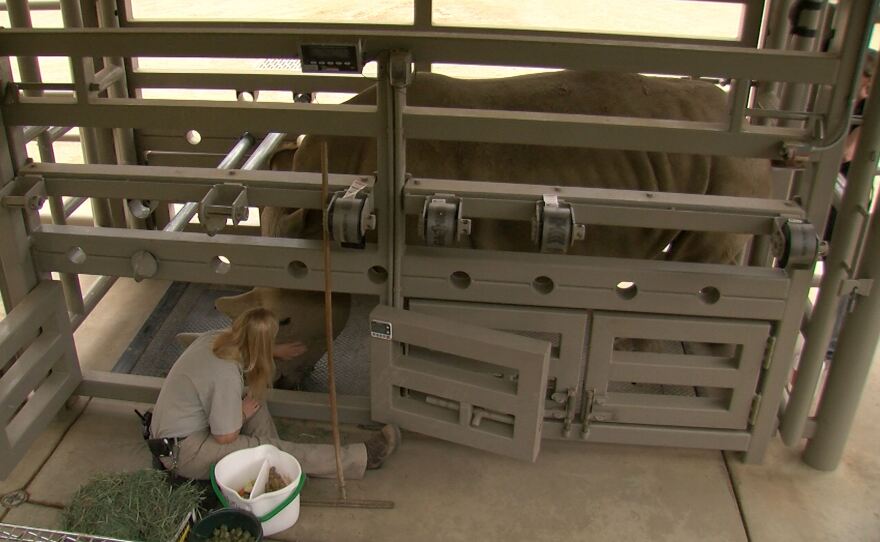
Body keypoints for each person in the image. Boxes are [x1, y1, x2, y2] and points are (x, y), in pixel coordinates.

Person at [148, 306, 400, 481]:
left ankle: (274, 469)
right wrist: (242, 414)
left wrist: (274, 351)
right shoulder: (224, 374)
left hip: (174, 434)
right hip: (186, 453)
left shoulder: (215, 338)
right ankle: (362, 458)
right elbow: (225, 436)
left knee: (254, 398)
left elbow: (248, 350)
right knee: (261, 431)